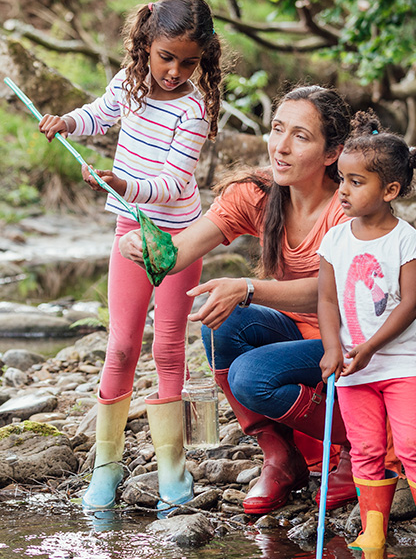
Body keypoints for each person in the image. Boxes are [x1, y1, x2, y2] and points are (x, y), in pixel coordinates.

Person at [119, 85, 360, 514]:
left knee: (251, 377)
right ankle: (281, 458)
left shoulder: (349, 205)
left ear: (332, 153)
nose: (280, 147)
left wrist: (247, 288)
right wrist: (142, 243)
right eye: (277, 129)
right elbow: (177, 253)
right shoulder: (257, 192)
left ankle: (361, 440)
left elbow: (334, 293)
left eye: (300, 137)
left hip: (353, 343)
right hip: (298, 336)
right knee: (222, 324)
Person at [37, 0, 224, 510]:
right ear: (146, 45)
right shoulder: (128, 83)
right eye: (166, 57)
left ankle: (172, 468)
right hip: (130, 230)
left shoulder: (194, 109)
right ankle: (107, 465)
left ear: (203, 59)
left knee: (167, 347)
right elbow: (100, 115)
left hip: (179, 238)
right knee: (120, 346)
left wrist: (123, 183)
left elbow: (174, 182)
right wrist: (67, 122)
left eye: (189, 62)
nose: (175, 71)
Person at [316, 112, 416, 559]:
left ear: (390, 190)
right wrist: (333, 347)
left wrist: (370, 347)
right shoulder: (335, 241)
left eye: (356, 182)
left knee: (413, 443)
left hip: (399, 365)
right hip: (352, 368)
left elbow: (411, 304)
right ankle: (372, 530)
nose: (343, 190)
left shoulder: (405, 240)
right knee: (365, 447)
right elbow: (327, 301)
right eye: (341, 179)